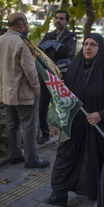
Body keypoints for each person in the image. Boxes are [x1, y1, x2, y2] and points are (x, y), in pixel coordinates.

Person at [44, 33, 104, 205]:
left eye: (93, 44)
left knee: (94, 160)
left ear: (100, 48)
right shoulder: (75, 67)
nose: (88, 47)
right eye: (86, 44)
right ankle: (59, 193)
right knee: (65, 156)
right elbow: (67, 91)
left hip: (98, 124)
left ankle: (96, 191)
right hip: (74, 123)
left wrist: (100, 114)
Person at [0, 13, 50, 168]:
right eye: (26, 24)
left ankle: (15, 155)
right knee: (30, 126)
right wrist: (37, 89)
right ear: (21, 25)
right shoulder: (21, 43)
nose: (27, 27)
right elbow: (30, 71)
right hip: (24, 92)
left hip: (6, 92)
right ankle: (32, 160)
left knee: (12, 125)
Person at [37, 10, 77, 145]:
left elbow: (69, 52)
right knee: (42, 107)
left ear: (67, 21)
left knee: (63, 107)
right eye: (56, 18)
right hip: (47, 76)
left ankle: (65, 134)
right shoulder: (48, 35)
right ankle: (45, 134)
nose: (58, 20)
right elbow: (40, 52)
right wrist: (57, 49)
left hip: (63, 77)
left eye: (61, 18)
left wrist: (53, 46)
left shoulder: (71, 36)